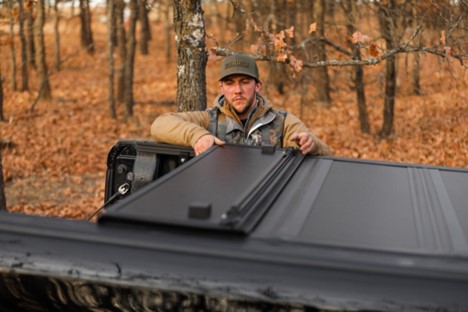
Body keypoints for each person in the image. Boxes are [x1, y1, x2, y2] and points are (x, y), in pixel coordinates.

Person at [151, 54, 331, 156]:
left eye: (245, 82)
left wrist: (312, 144)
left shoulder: (282, 121)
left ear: (258, 86)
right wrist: (197, 136)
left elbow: (328, 155)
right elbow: (160, 124)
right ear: (221, 88)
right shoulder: (209, 119)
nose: (237, 90)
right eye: (229, 83)